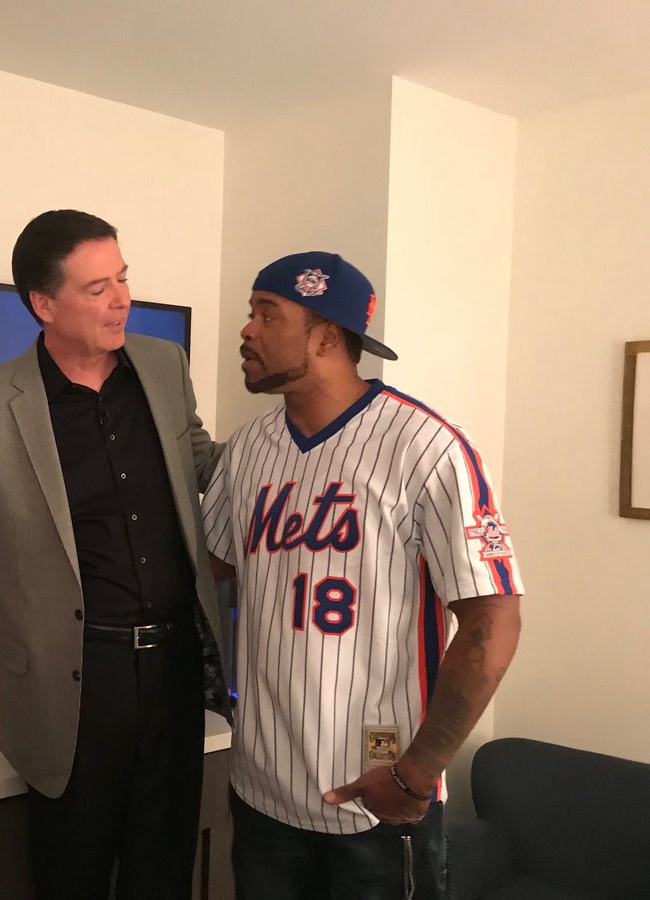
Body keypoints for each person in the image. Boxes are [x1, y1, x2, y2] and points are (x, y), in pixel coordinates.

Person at [0, 210, 227, 899]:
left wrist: (302, 453)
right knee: (70, 874)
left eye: (124, 279)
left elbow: (205, 465)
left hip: (174, 666)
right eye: (98, 288)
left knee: (163, 871)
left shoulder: (164, 367)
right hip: (72, 681)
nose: (122, 300)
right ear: (44, 305)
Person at [202, 251, 523, 899]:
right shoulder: (248, 449)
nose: (247, 330)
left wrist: (417, 773)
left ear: (326, 337)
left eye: (268, 314)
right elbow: (213, 566)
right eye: (251, 312)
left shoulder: (426, 447)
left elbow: (493, 619)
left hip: (375, 798)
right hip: (261, 791)